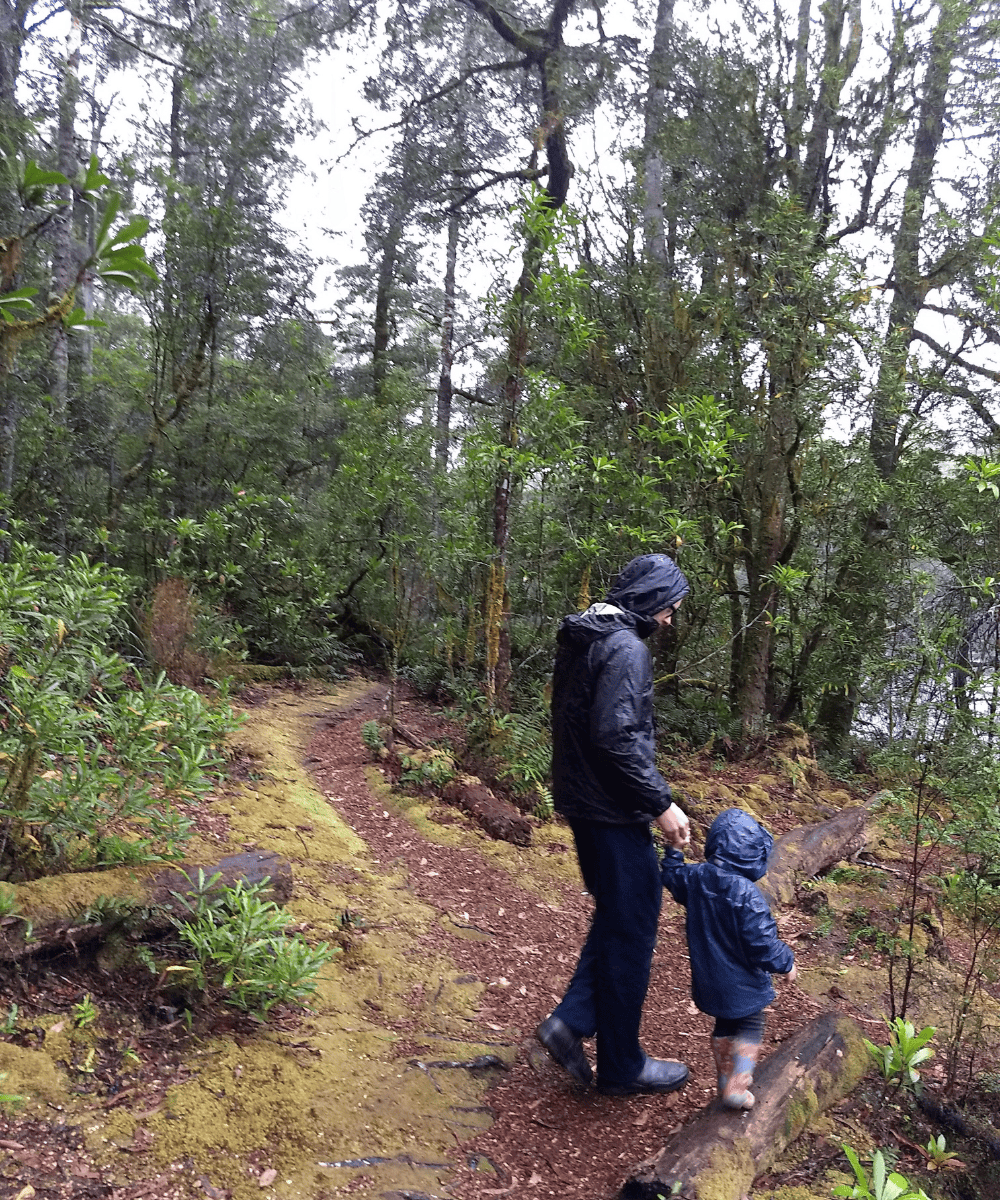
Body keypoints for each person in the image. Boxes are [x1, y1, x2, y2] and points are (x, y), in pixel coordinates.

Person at [536, 553, 692, 1096]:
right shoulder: (625, 646)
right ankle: (622, 1064)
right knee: (632, 931)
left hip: (583, 803)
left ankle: (571, 1021)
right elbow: (617, 738)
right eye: (669, 608)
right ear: (649, 599)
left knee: (618, 918)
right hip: (611, 811)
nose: (669, 620)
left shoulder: (586, 636)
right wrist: (661, 804)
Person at [660, 807, 797, 1111]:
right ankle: (738, 1085)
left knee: (724, 1023)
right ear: (752, 852)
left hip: (709, 979)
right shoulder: (748, 895)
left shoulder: (697, 877)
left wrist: (674, 850)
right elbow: (762, 942)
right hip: (744, 984)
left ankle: (724, 1081)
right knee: (751, 1023)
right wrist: (786, 961)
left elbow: (671, 877)